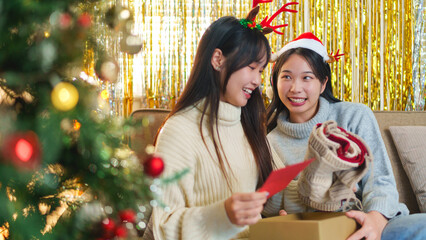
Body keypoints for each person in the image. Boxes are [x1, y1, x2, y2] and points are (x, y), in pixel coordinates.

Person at [266, 32, 426, 240]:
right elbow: (271, 205)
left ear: (323, 84)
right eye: (286, 77)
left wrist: (375, 223)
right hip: (319, 232)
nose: (296, 88)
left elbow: (379, 182)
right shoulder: (268, 142)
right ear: (274, 82)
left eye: (307, 77)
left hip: (374, 222)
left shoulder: (354, 115)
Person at [144, 12, 286, 240]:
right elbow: (164, 226)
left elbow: (278, 194)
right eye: (251, 67)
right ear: (218, 59)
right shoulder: (179, 130)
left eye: (260, 71)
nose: (257, 81)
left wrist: (322, 182)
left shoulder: (248, 122)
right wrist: (223, 216)